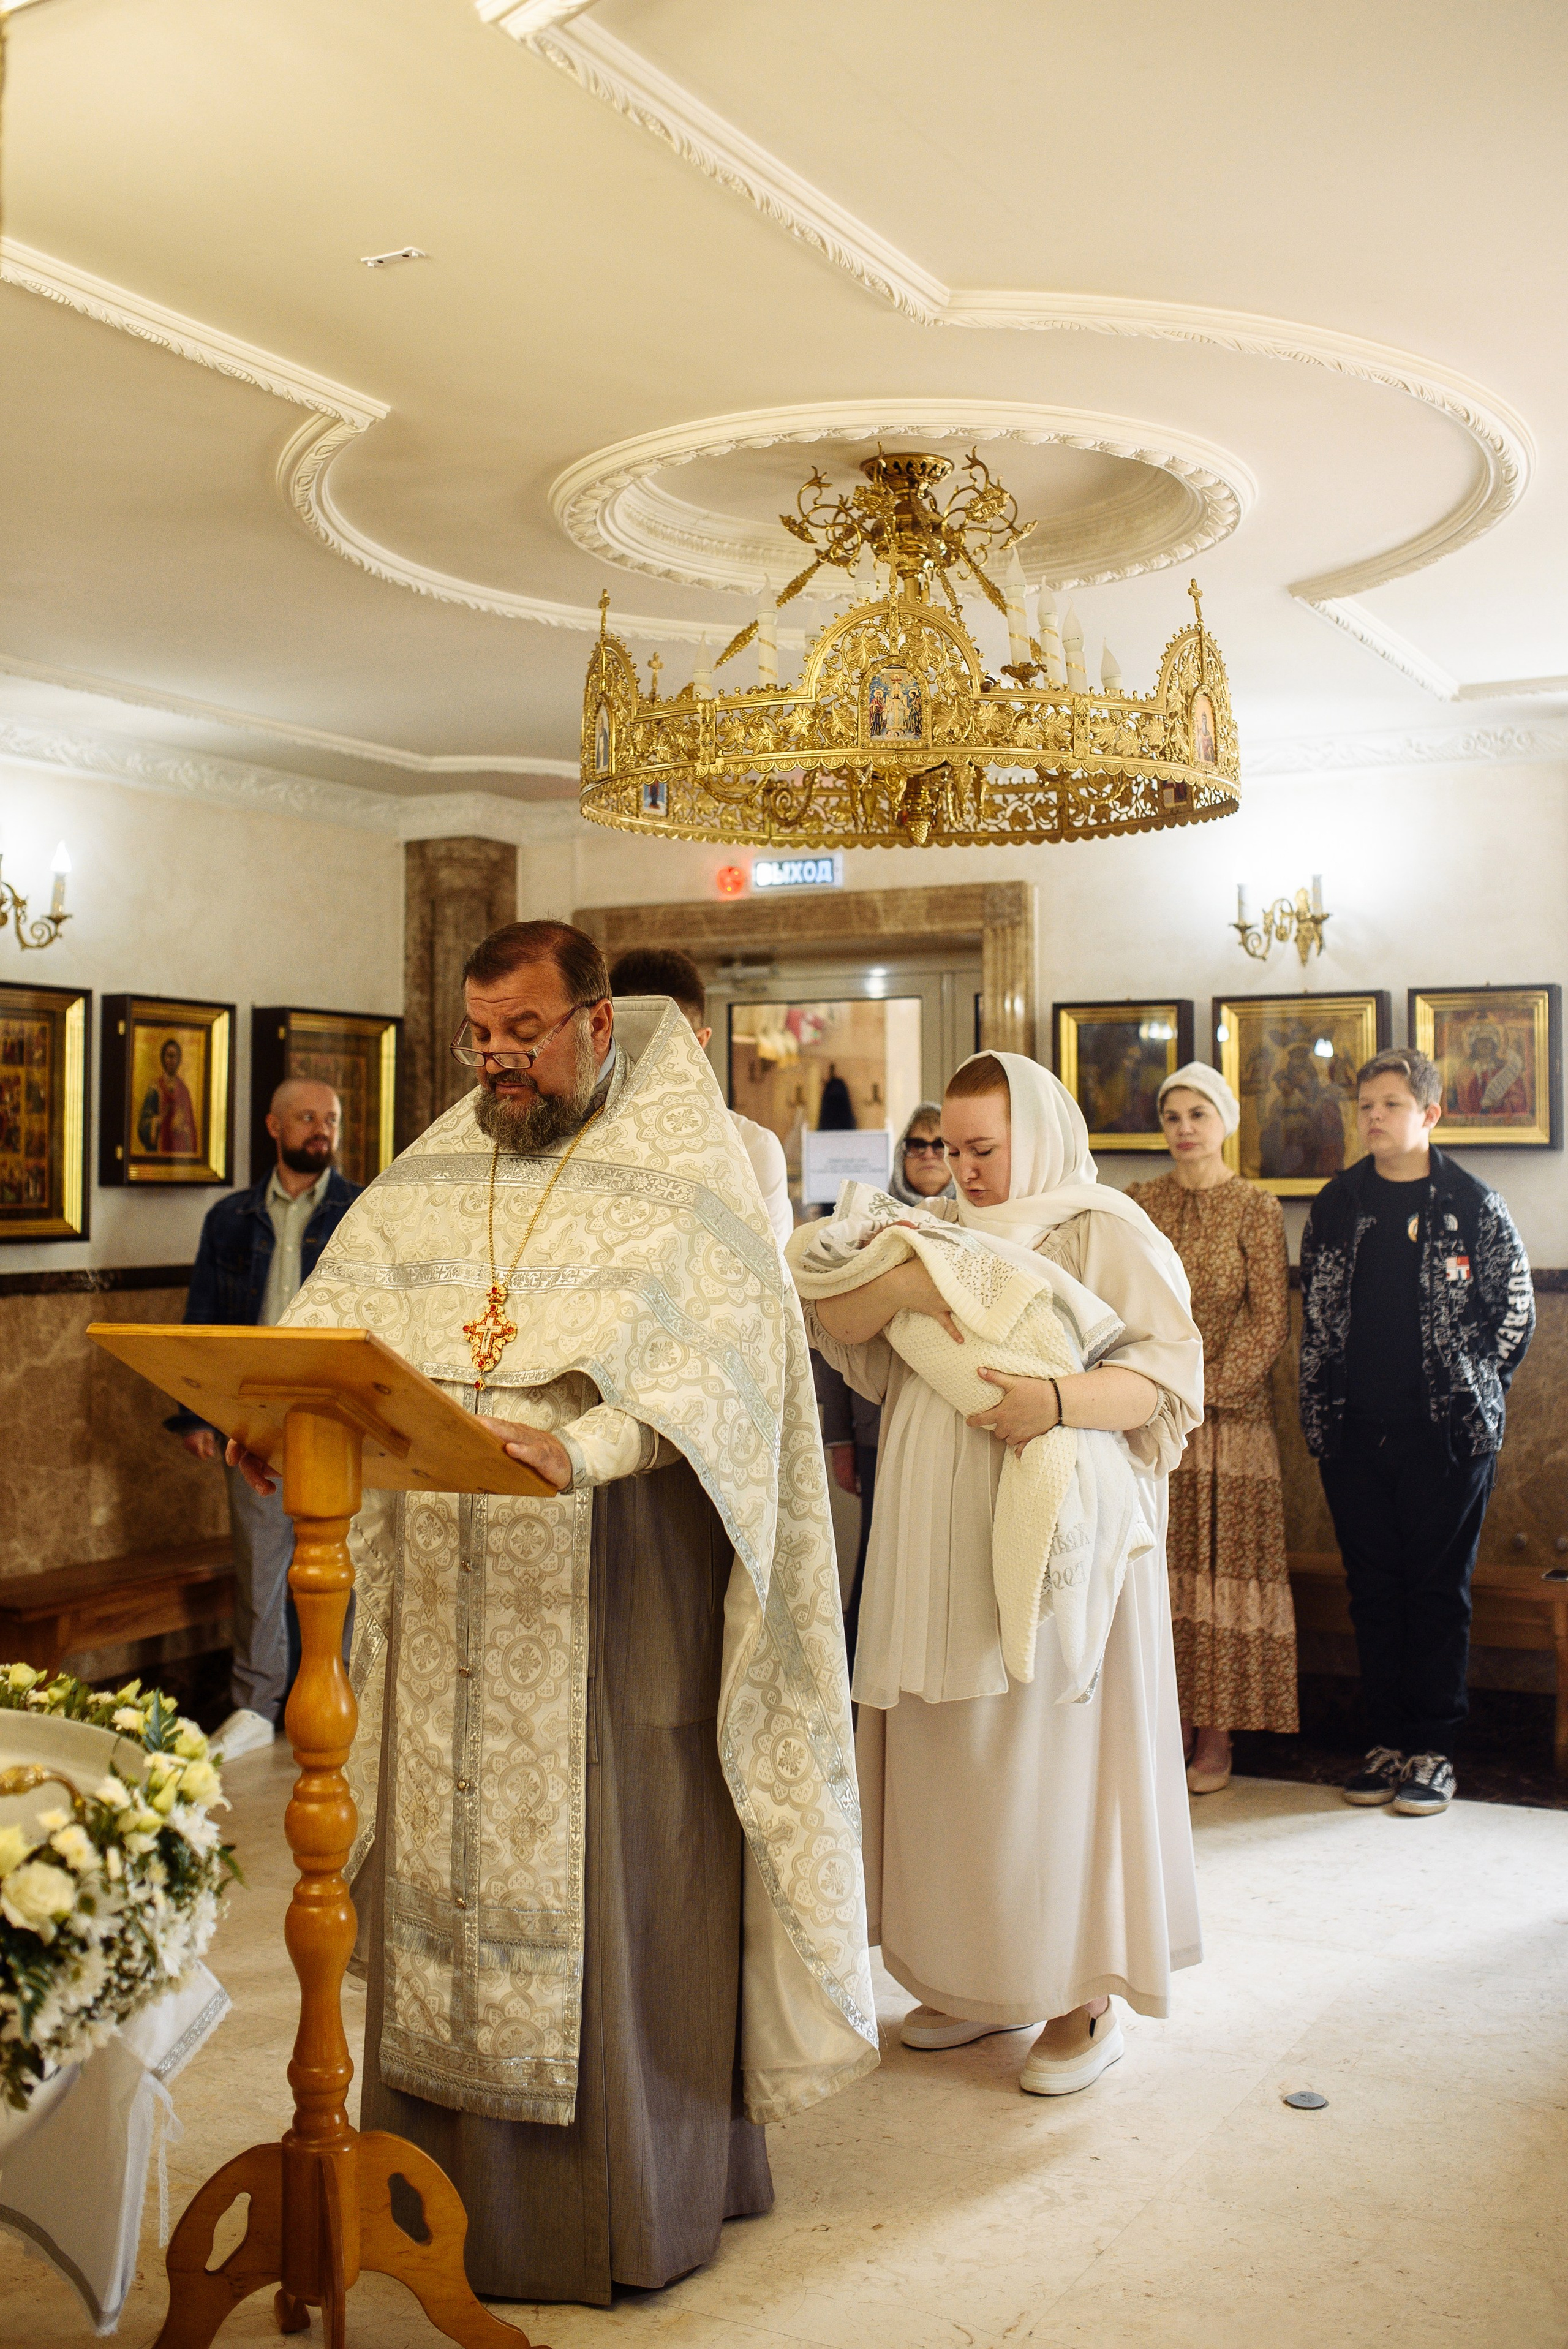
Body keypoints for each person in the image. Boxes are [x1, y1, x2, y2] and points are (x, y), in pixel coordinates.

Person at [230, 919, 875, 2304]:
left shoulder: (688, 1155)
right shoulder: (446, 1152)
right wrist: (274, 1398)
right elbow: (348, 1303)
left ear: (594, 1019)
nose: (497, 1062)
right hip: (444, 1573)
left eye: (521, 1033)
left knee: (617, 1871)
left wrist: (579, 1445)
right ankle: (426, 2182)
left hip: (612, 1567)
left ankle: (615, 2208)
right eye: (479, 1035)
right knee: (436, 1878)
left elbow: (728, 1373)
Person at [800, 1052, 1203, 2098]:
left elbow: (1166, 1380)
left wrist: (1055, 1405)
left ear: (1039, 1135)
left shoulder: (1103, 1230)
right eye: (956, 1151)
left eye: (987, 1150)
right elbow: (883, 1355)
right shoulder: (940, 1236)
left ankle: (1080, 1995)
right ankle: (983, 1979)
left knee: (1046, 1759)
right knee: (954, 1752)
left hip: (1059, 1524)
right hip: (935, 1523)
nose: (967, 1172)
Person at [1300, 1047, 1534, 1815]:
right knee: (1373, 1592)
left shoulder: (1470, 1203)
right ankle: (1386, 1742)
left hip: (1447, 1440)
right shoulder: (1337, 1204)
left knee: (1436, 1593)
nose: (1373, 1116)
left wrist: (1475, 1393)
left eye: (1390, 1104)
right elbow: (1319, 1320)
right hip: (1353, 1435)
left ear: (1429, 1114)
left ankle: (1434, 1750)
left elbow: (1516, 1314)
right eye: (1365, 1104)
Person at [167, 1078, 356, 1760]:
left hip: (337, 1411)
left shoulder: (361, 1210)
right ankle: (255, 1703)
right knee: (260, 1563)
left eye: (330, 1118)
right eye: (307, 1117)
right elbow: (203, 1317)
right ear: (274, 1126)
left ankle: (337, 1690)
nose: (321, 1129)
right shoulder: (230, 1216)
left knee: (341, 1563)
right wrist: (196, 1411)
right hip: (253, 1414)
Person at [1129, 1064, 1297, 1795]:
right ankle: (1158, 1724)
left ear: (1225, 1122)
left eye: (1199, 1113)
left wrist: (1203, 1393)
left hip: (1230, 1423)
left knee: (1222, 1575)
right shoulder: (1140, 1203)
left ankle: (1217, 1733)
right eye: (1172, 1116)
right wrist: (1159, 1392)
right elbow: (1125, 1298)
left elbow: (1269, 1320)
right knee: (1160, 1574)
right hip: (1150, 1414)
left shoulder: (1255, 1208)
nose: (1185, 1128)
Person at [816, 1101, 954, 1670]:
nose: (928, 1155)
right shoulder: (870, 1225)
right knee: (878, 1558)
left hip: (950, 1421)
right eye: (916, 1145)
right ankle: (857, 1691)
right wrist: (840, 1440)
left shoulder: (973, 1226)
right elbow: (836, 1340)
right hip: (879, 1425)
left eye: (939, 1144)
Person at [605, 943, 792, 1248]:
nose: (649, 1062)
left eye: (669, 1043)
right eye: (630, 1043)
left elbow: (773, 1281)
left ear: (701, 1042)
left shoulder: (752, 1149)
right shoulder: (576, 1137)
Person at [138, 1036, 200, 1156]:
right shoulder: (155, 1089)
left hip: (179, 1158)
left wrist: (183, 1128)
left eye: (175, 1057)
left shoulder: (184, 1091)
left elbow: (191, 1129)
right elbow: (142, 1126)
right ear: (163, 1058)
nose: (172, 1060)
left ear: (179, 1060)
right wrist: (157, 1122)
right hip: (159, 1156)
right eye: (169, 1056)